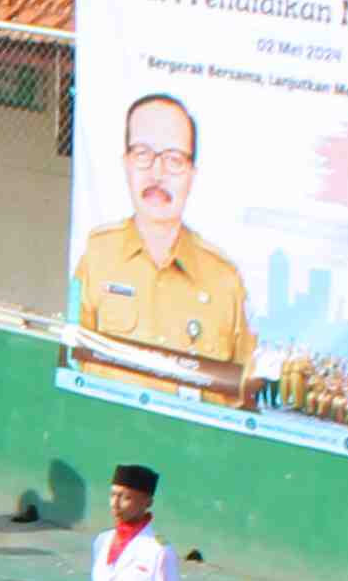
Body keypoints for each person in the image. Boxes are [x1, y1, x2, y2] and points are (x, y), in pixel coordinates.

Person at [68, 97, 249, 395]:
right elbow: (73, 369)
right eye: (143, 154)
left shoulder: (224, 280)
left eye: (174, 160)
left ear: (192, 174)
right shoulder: (98, 256)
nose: (157, 174)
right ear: (126, 164)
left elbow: (237, 397)